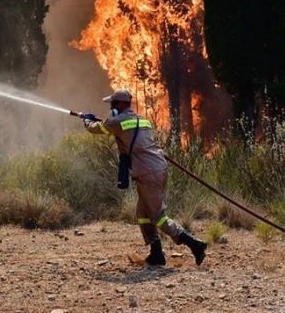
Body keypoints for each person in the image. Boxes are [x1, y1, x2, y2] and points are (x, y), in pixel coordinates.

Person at [83, 89, 208, 266]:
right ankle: (156, 253)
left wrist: (87, 120)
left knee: (158, 217)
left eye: (112, 104)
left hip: (148, 171)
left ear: (118, 104)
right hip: (156, 167)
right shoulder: (141, 119)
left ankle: (194, 245)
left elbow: (96, 128)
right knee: (142, 213)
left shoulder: (118, 121)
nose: (111, 107)